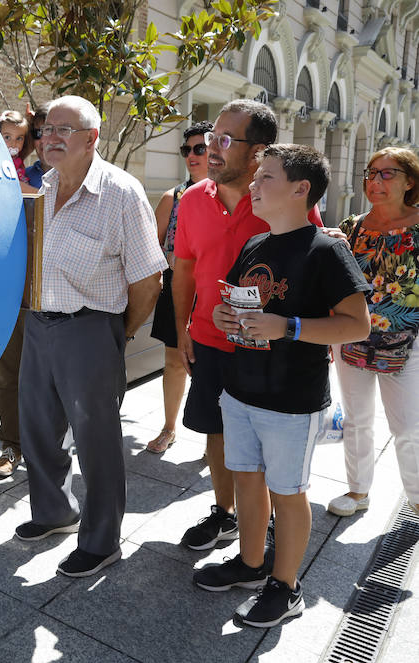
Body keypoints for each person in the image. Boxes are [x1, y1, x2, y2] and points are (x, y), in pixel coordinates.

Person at [195, 144, 370, 628]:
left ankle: (285, 586)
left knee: (288, 492)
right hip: (241, 388)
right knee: (247, 479)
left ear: (300, 189)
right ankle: (251, 565)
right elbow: (232, 305)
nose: (252, 184)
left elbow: (358, 325)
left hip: (292, 400)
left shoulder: (326, 249)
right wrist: (222, 314)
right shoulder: (257, 243)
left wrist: (288, 327)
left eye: (265, 177)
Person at [13, 95, 165, 577]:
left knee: (96, 441)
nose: (49, 137)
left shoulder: (121, 193)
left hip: (91, 328)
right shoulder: (43, 183)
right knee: (37, 431)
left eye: (63, 129)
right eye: (46, 128)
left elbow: (147, 281)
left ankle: (101, 541)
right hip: (38, 324)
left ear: (91, 138)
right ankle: (53, 513)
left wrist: (116, 334)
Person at [172, 100, 325, 551]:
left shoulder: (282, 200)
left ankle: (274, 523)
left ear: (259, 151)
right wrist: (182, 328)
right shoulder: (192, 200)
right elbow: (182, 270)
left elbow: (312, 260)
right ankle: (225, 514)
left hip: (271, 348)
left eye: (224, 140)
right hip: (209, 340)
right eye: (209, 139)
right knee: (218, 433)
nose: (211, 149)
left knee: (270, 443)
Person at [327, 147, 419, 518]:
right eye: (371, 173)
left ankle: (416, 496)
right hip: (352, 337)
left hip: (407, 343)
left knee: (409, 426)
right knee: (357, 419)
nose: (375, 181)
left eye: (387, 173)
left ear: (410, 180)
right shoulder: (352, 227)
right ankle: (357, 491)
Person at [0, 103, 51, 477]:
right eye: (41, 132)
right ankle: (12, 447)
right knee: (11, 373)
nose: (47, 140)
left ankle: (49, 453)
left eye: (54, 131)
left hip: (65, 300)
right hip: (18, 293)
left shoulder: (86, 180)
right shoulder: (10, 174)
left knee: (53, 381)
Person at [146, 121, 212, 453]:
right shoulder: (173, 197)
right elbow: (151, 248)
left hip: (217, 290)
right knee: (174, 361)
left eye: (200, 148)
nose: (192, 155)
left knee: (212, 366)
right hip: (179, 286)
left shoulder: (235, 195)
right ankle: (169, 428)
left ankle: (213, 440)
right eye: (187, 149)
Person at [0, 109, 38, 194]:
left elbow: (31, 144)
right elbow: (14, 185)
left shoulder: (18, 157)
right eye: (7, 137)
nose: (13, 144)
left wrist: (31, 122)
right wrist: (39, 194)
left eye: (19, 138)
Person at [25, 103, 52, 189]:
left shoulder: (79, 180)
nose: (43, 140)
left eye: (48, 132)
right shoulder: (24, 176)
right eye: (38, 133)